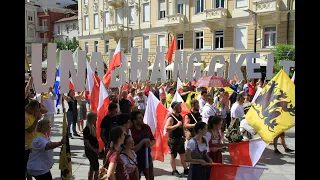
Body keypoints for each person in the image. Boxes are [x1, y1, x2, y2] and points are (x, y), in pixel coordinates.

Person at [165, 101, 189, 177]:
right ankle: (174, 170)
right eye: (179, 106)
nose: (181, 107)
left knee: (182, 154)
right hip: (173, 140)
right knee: (173, 156)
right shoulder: (171, 118)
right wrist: (176, 125)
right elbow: (167, 128)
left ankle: (185, 169)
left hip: (180, 139)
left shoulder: (180, 116)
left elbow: (181, 127)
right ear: (175, 107)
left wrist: (184, 135)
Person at [130, 110, 155, 180]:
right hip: (135, 158)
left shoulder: (146, 127)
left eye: (142, 117)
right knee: (136, 177)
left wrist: (149, 144)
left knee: (150, 176)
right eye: (139, 118)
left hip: (147, 156)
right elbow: (132, 148)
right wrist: (142, 142)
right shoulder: (131, 131)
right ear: (134, 121)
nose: (142, 119)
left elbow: (153, 140)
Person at [25, 100, 43, 180]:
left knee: (30, 168)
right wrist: (36, 120)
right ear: (29, 107)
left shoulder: (33, 113)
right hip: (26, 146)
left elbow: (45, 110)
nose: (35, 112)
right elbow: (30, 130)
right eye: (35, 110)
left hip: (32, 145)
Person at [83, 112, 99, 180]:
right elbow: (86, 142)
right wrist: (93, 149)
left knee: (92, 167)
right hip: (91, 151)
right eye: (95, 118)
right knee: (96, 169)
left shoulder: (92, 127)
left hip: (93, 150)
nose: (96, 120)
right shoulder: (87, 129)